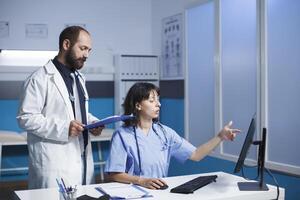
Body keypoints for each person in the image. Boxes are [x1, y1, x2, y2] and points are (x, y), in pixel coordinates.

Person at [105, 82, 240, 189]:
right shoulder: (122, 135)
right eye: (152, 100)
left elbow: (196, 154)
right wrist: (141, 181)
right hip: (132, 192)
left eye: (158, 99)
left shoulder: (165, 133)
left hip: (159, 192)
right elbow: (113, 175)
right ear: (138, 105)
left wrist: (220, 137)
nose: (158, 104)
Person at [17, 26, 103, 189]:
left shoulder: (78, 78)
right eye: (83, 48)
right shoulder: (39, 79)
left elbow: (75, 111)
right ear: (66, 45)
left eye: (89, 50)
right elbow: (26, 118)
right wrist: (64, 128)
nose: (86, 55)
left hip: (82, 158)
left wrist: (92, 122)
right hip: (54, 161)